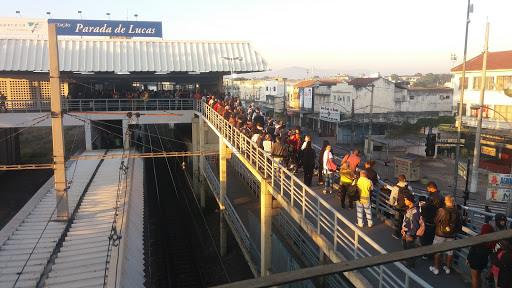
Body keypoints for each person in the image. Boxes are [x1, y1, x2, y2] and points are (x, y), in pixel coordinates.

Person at [430, 195, 463, 275]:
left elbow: (436, 221)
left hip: (440, 233)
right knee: (450, 252)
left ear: (446, 201)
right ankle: (448, 268)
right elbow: (459, 225)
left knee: (437, 251)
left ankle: (436, 268)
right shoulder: (458, 212)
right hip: (452, 234)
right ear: (453, 202)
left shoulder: (441, 210)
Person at [466, 224, 495, 288]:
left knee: (474, 278)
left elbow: (472, 249)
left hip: (474, 260)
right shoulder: (491, 242)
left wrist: (468, 258)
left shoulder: (478, 238)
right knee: (478, 276)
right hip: (483, 261)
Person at [420, 182, 445, 256]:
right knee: (432, 239)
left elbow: (426, 207)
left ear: (431, 188)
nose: (428, 191)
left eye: (428, 189)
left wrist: (422, 205)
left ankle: (427, 254)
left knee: (426, 239)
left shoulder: (432, 197)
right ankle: (431, 254)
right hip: (437, 220)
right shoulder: (441, 196)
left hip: (430, 220)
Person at [390, 174, 413, 239]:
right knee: (405, 219)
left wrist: (393, 203)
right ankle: (404, 233)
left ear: (398, 180)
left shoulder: (396, 187)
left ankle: (396, 234)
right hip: (406, 205)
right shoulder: (408, 187)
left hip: (398, 205)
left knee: (397, 220)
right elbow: (412, 195)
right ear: (404, 179)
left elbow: (391, 197)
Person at [401, 193, 420, 268]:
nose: (405, 201)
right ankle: (407, 259)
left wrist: (412, 234)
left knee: (410, 247)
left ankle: (411, 263)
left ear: (410, 201)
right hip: (406, 230)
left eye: (406, 200)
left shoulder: (415, 211)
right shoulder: (410, 208)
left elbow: (415, 224)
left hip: (410, 232)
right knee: (405, 245)